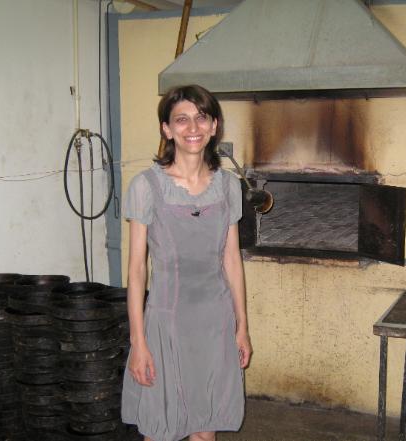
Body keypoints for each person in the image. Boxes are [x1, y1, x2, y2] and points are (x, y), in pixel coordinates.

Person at [121, 84, 252, 441]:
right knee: (160, 429)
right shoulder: (146, 186)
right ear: (166, 129)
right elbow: (136, 271)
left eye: (201, 117)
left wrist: (241, 326)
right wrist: (139, 342)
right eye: (181, 119)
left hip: (215, 323)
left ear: (214, 126)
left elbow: (232, 260)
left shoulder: (228, 187)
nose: (192, 127)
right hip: (166, 324)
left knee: (205, 429)